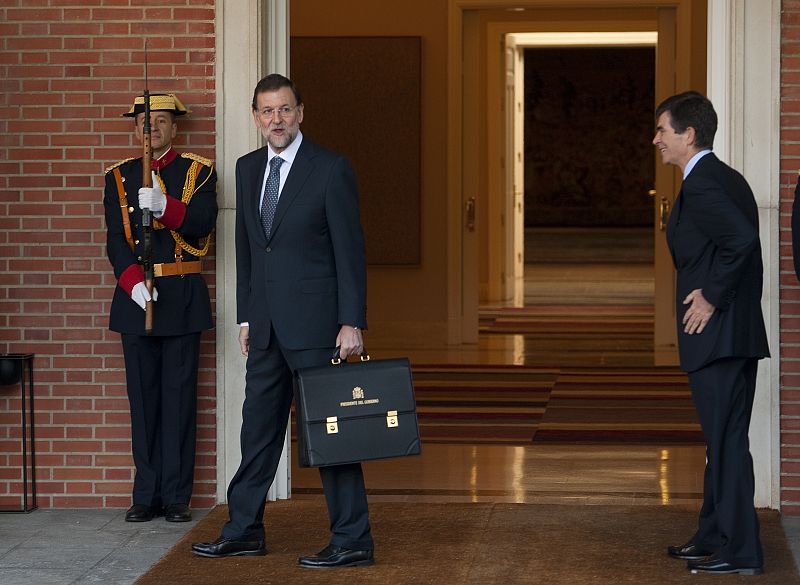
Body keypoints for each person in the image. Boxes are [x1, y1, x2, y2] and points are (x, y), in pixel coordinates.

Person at [191, 74, 373, 568]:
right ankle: (244, 530)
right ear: (255, 116)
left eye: (285, 110)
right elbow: (249, 251)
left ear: (300, 113)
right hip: (266, 329)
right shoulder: (248, 169)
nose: (277, 119)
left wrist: (351, 322)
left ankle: (352, 539)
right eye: (267, 111)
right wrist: (247, 318)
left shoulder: (330, 169)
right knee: (257, 433)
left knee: (330, 434)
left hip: (319, 328)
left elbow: (349, 253)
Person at [654, 91, 769, 575]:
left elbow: (742, 241)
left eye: (662, 130)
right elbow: (737, 244)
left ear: (689, 134)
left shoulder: (703, 185)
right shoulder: (723, 178)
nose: (656, 139)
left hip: (717, 338)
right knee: (724, 441)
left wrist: (710, 296)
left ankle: (741, 552)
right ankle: (713, 534)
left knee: (725, 443)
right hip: (733, 337)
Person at [103, 94, 218, 523]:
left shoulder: (197, 171)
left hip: (182, 295)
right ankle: (145, 494)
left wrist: (165, 208)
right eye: (144, 123)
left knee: (179, 401)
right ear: (135, 129)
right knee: (143, 400)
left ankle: (175, 497)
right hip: (138, 300)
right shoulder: (119, 177)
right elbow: (116, 239)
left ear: (175, 127)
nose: (151, 129)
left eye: (161, 121)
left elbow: (204, 221)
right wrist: (132, 284)